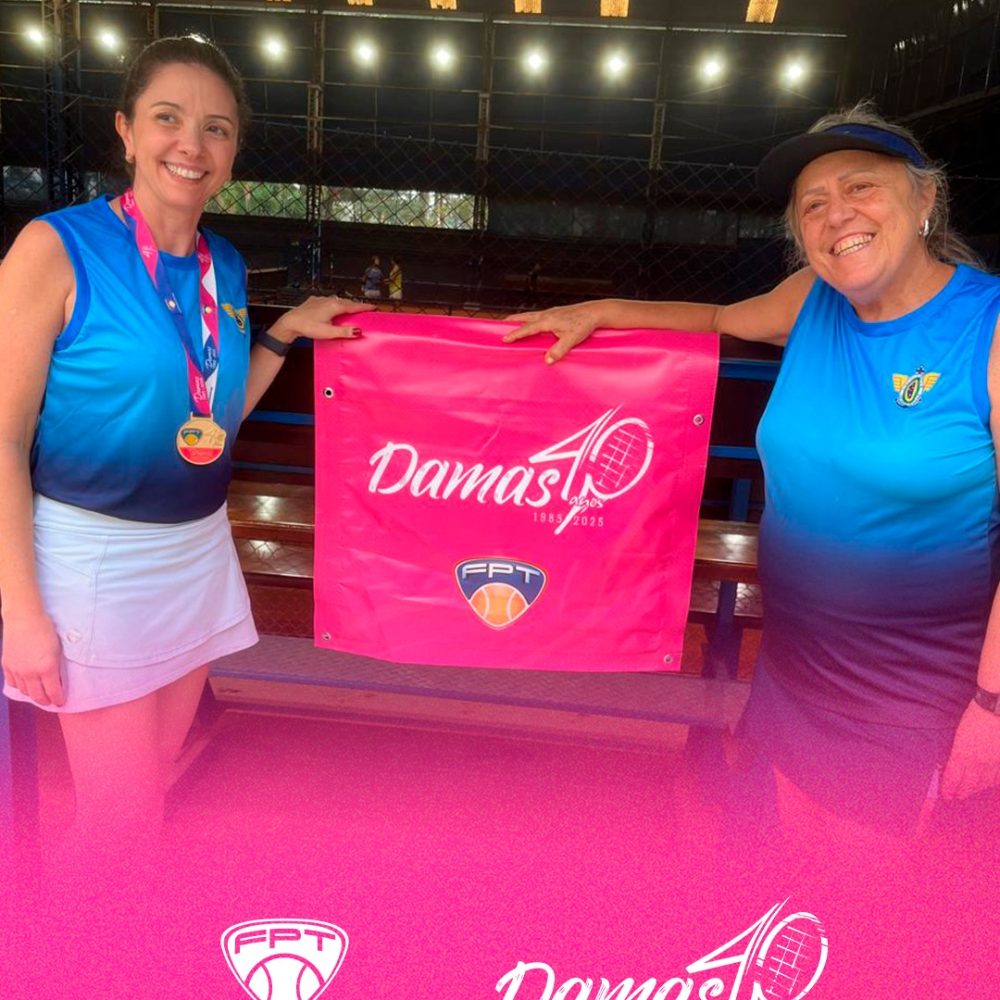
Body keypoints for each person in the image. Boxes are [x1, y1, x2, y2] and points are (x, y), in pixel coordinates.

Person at [505, 104, 1000, 845]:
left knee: (870, 894)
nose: (838, 214)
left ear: (926, 195)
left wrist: (993, 709)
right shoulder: (812, 299)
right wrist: (599, 311)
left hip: (912, 695)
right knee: (788, 863)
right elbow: (713, 319)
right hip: (793, 671)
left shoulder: (988, 325)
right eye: (813, 204)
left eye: (861, 187)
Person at [0, 36, 371, 847]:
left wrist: (282, 335)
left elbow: (214, 419)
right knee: (121, 820)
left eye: (217, 129)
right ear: (127, 130)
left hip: (197, 550)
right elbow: (2, 438)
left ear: (233, 153)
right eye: (168, 118)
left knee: (142, 807)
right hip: (96, 559)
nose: (192, 145)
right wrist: (19, 610)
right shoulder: (54, 248)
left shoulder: (222, 265)